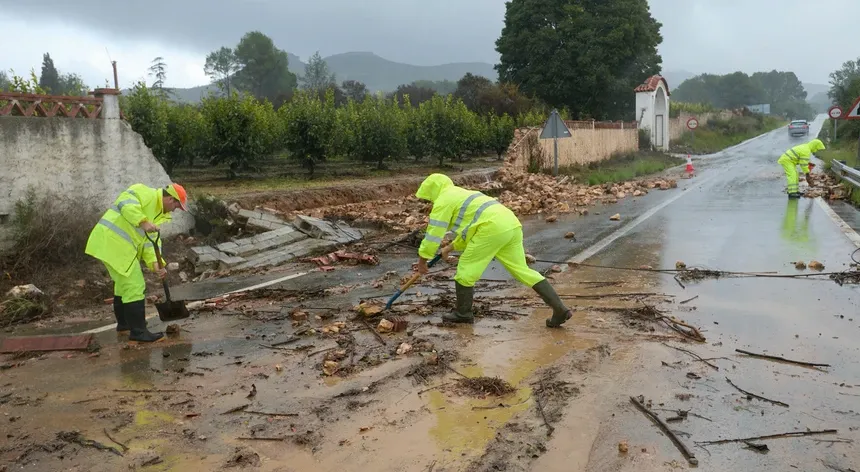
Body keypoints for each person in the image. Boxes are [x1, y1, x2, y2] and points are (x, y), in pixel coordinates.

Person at [414, 173, 573, 328]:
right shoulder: (462, 194)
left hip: (491, 228)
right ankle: (559, 309)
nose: (429, 202)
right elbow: (469, 229)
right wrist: (449, 247)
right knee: (522, 270)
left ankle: (463, 314)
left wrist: (422, 261)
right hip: (510, 224)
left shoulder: (443, 201)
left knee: (466, 271)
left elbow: (433, 235)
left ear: (432, 191)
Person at [85, 183, 189, 343]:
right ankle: (139, 332)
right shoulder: (145, 192)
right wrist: (142, 221)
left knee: (122, 286)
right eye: (177, 205)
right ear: (170, 199)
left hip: (115, 246)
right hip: (112, 243)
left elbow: (150, 243)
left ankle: (125, 325)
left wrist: (156, 263)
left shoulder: (158, 215)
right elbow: (124, 202)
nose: (176, 209)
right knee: (135, 285)